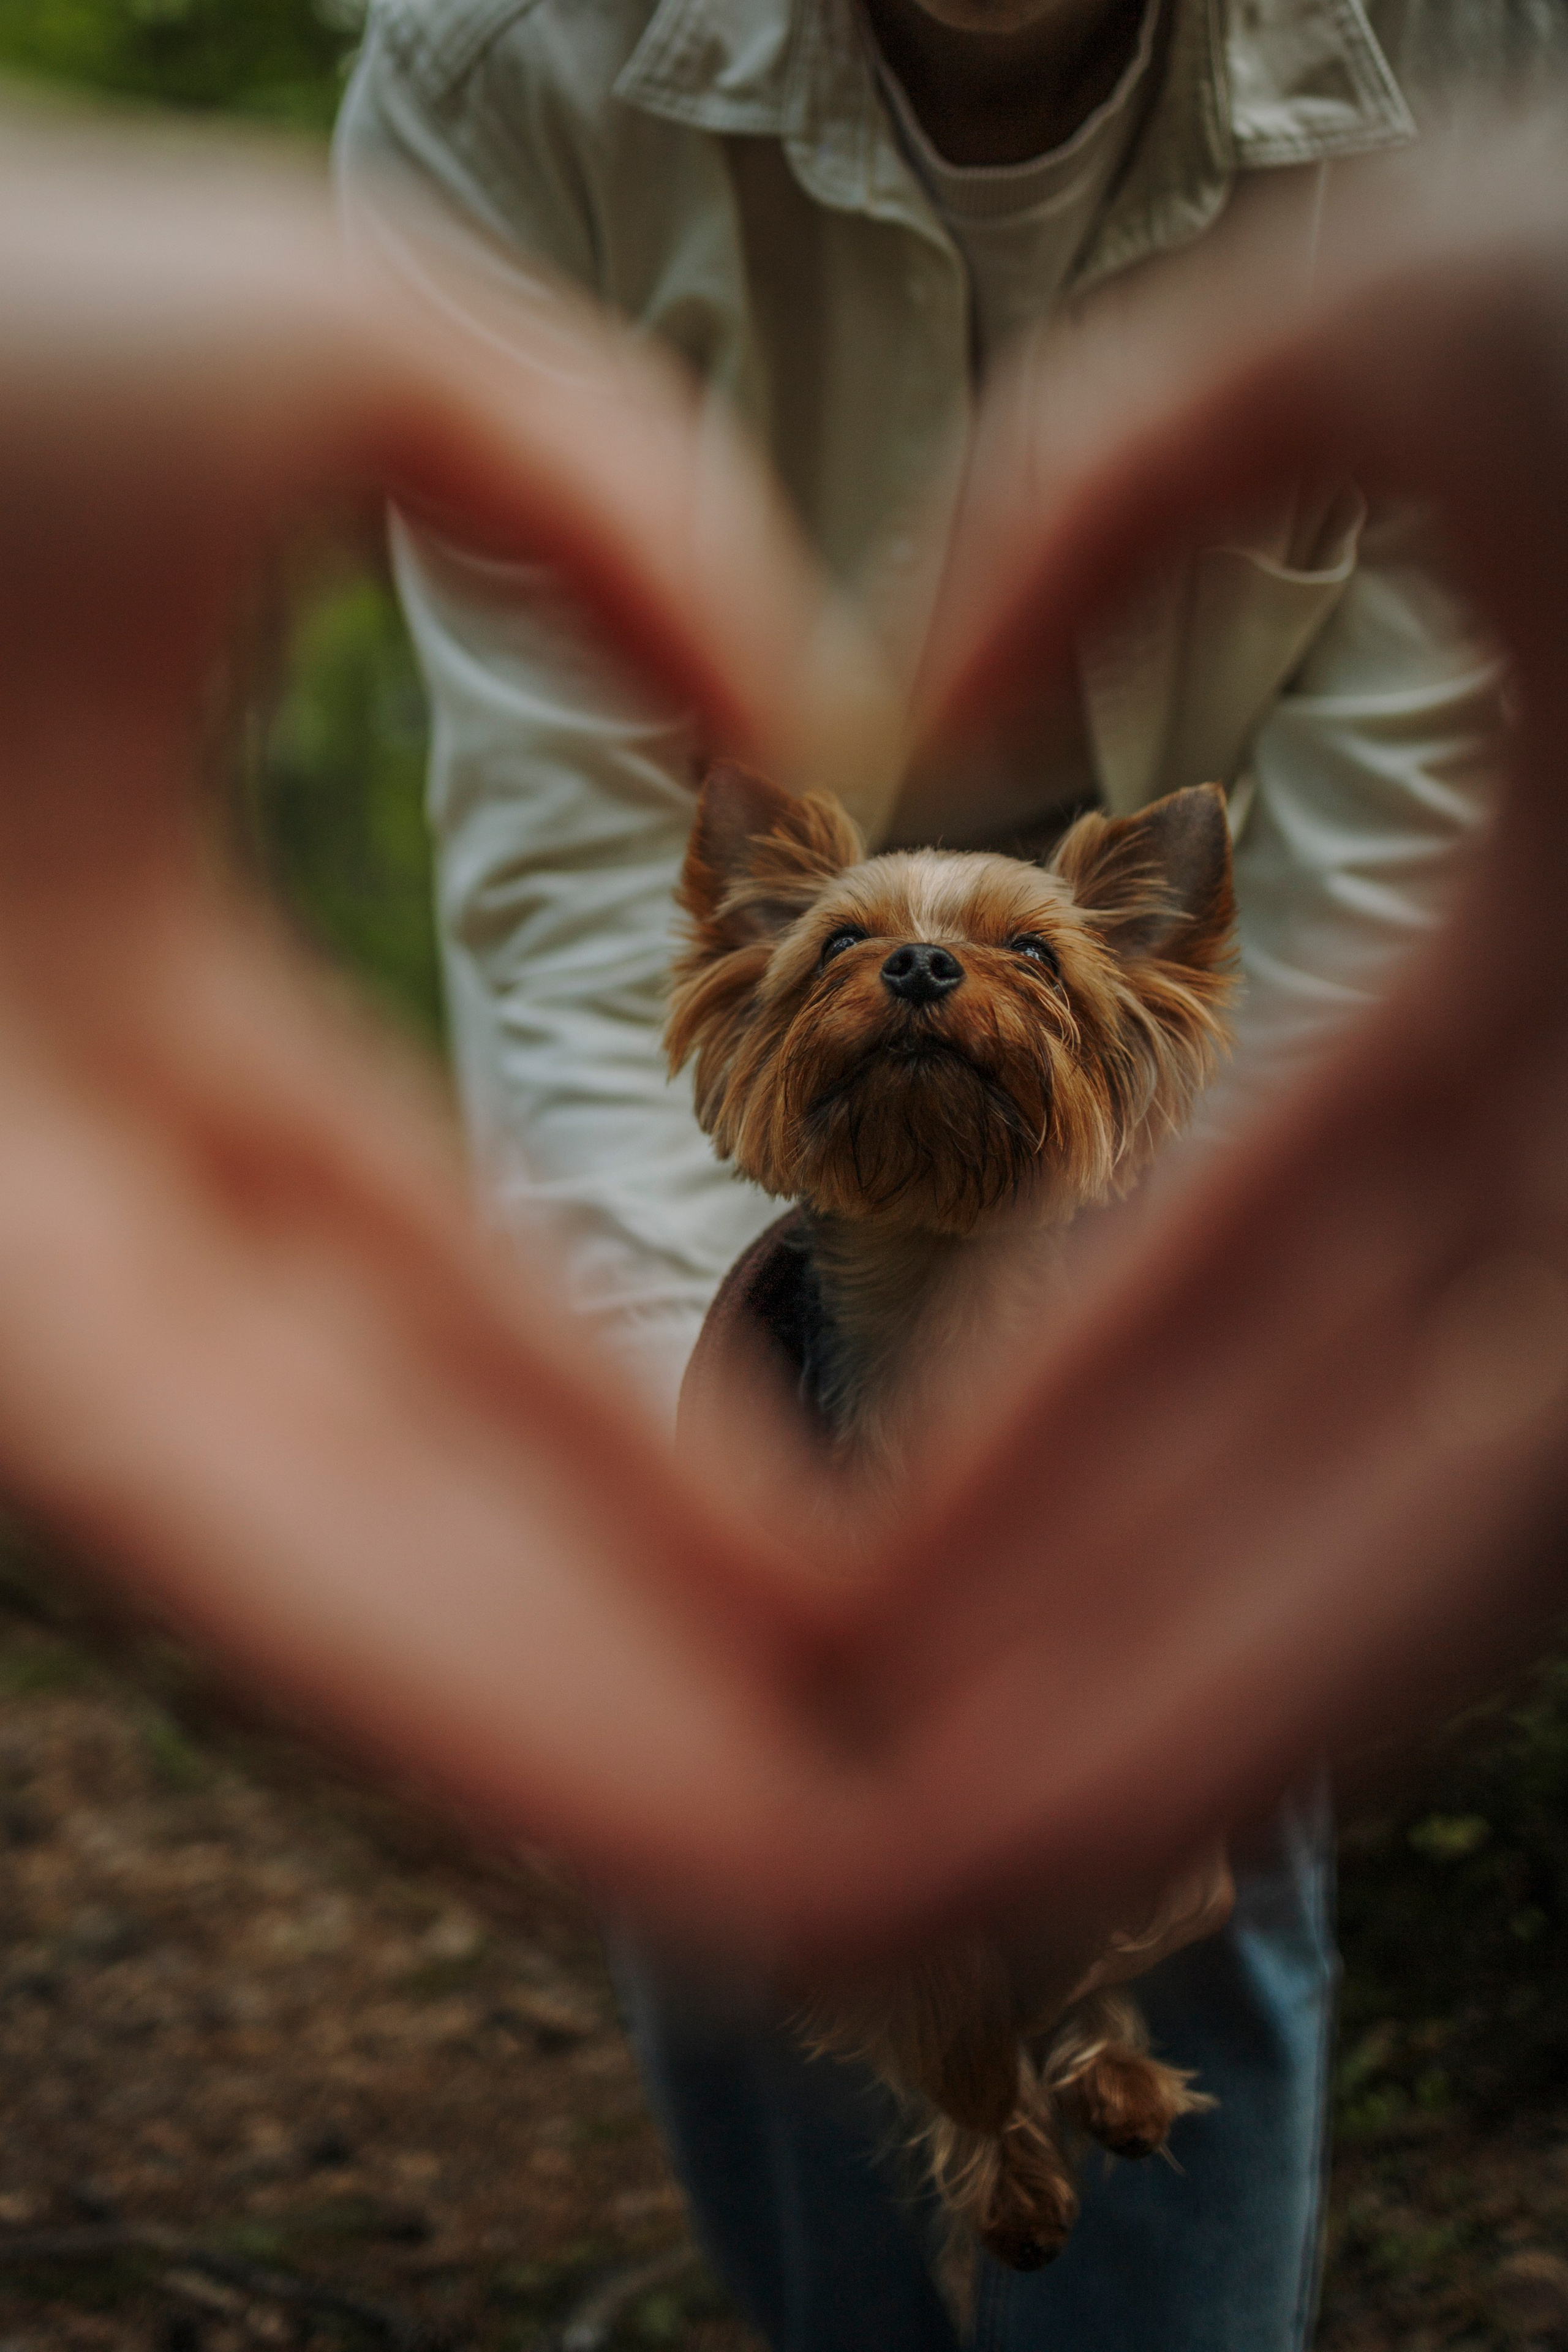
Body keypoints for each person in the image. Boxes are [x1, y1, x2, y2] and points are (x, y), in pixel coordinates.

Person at [335, 5, 1567, 2346]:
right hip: (744, 1154)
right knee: (729, 1838)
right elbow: (580, 878)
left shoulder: (1490, 53)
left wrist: (1226, 1429)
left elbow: (1404, 878)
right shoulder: (517, 69)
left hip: (1199, 1095)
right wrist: (690, 1487)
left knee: (1187, 1820)